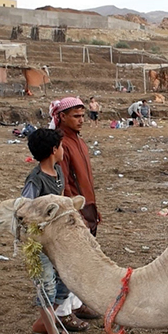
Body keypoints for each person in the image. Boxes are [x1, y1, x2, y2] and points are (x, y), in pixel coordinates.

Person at [21, 128, 89, 334]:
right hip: (40, 246)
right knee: (46, 289)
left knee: (65, 284)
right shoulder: (35, 180)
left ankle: (42, 325)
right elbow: (25, 209)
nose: (63, 150)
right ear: (53, 150)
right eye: (60, 146)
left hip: (58, 243)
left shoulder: (58, 172)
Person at [50, 97, 102, 237]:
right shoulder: (61, 145)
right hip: (75, 210)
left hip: (87, 207)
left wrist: (93, 208)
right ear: (62, 116)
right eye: (76, 116)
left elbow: (84, 179)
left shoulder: (79, 140)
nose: (81, 120)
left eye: (83, 116)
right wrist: (75, 214)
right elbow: (63, 183)